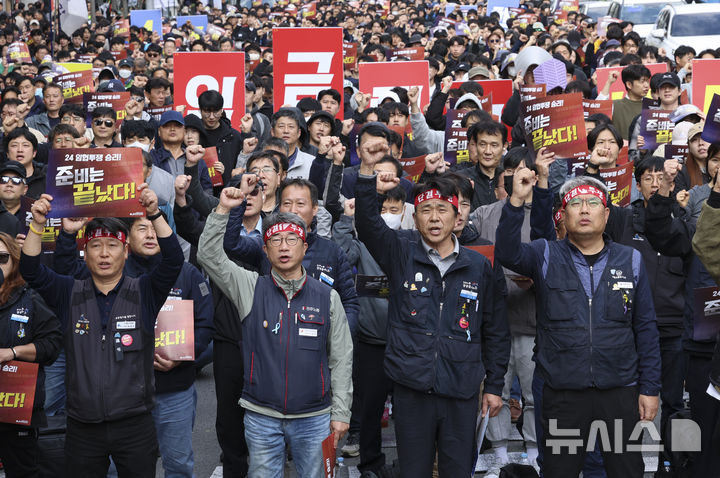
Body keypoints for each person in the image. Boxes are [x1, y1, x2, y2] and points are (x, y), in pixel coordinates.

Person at [496, 168, 661, 477]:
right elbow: (507, 253)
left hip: (619, 391)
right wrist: (516, 201)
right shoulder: (545, 254)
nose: (584, 209)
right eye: (575, 203)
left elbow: (646, 328)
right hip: (563, 393)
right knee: (560, 470)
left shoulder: (631, 260)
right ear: (563, 215)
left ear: (607, 213)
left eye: (593, 202)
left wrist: (649, 388)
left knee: (626, 470)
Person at [19, 185, 184, 477]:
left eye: (112, 245)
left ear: (126, 251)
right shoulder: (69, 292)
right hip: (83, 427)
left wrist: (155, 213)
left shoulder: (145, 290)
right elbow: (31, 269)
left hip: (135, 424)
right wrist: (38, 224)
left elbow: (173, 260)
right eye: (96, 246)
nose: (104, 253)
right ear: (86, 252)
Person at [355, 173, 510, 478]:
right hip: (412, 386)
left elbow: (494, 329)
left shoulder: (478, 266)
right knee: (414, 471)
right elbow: (368, 227)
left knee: (457, 470)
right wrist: (368, 185)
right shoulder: (401, 251)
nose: (434, 217)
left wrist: (493, 385)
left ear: (457, 216)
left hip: (461, 388)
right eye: (426, 211)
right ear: (416, 217)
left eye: (443, 209)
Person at [197, 195, 353, 478]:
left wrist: (341, 413)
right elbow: (208, 256)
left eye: (291, 240)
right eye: (275, 241)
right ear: (265, 251)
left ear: (304, 247)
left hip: (314, 417)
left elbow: (341, 358)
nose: (283, 247)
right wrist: (222, 210)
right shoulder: (251, 288)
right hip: (261, 416)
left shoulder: (326, 296)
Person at [645, 158, 720, 477]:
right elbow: (670, 236)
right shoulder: (702, 230)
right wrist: (663, 195)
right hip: (704, 347)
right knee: (706, 438)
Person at [0, 232, 62, 477]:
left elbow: (52, 344)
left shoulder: (30, 298)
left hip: (17, 408)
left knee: (23, 472)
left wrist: (12, 352)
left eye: (2, 258)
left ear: (14, 261)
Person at [460, 121, 507, 210]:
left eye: (494, 145)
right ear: (476, 145)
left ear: (504, 146)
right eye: (482, 144)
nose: (487, 151)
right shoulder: (461, 178)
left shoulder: (511, 178)